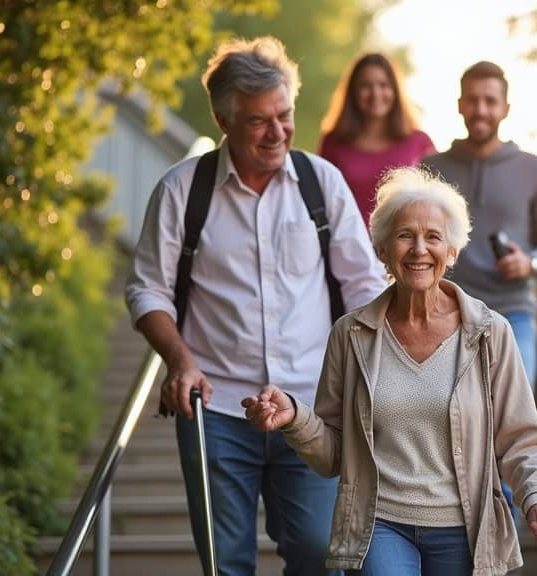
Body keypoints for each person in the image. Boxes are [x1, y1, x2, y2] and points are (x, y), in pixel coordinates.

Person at [124, 36, 388, 576]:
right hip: (215, 409)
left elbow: (362, 285)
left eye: (284, 115)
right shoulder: (181, 190)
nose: (277, 132)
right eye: (258, 121)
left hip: (313, 406)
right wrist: (180, 359)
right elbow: (147, 288)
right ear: (223, 120)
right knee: (225, 563)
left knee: (322, 552)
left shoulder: (322, 183)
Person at [242, 167, 537, 576]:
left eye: (433, 237)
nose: (419, 249)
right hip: (380, 524)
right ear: (383, 250)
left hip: (464, 528)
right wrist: (295, 418)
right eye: (405, 236)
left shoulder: (491, 333)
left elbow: (522, 438)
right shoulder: (351, 335)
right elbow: (333, 454)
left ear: (452, 252)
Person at [422, 61, 537, 390]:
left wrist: (530, 262)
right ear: (460, 105)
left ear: (505, 108)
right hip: (443, 313)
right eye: (472, 100)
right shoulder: (431, 168)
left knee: (515, 417)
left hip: (513, 313)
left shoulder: (536, 169)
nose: (481, 109)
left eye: (490, 101)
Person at [319, 53, 435, 224]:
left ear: (395, 90)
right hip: (346, 246)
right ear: (353, 93)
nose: (376, 93)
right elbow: (320, 201)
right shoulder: (333, 143)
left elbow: (436, 204)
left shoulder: (419, 142)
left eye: (383, 85)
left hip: (405, 248)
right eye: (365, 86)